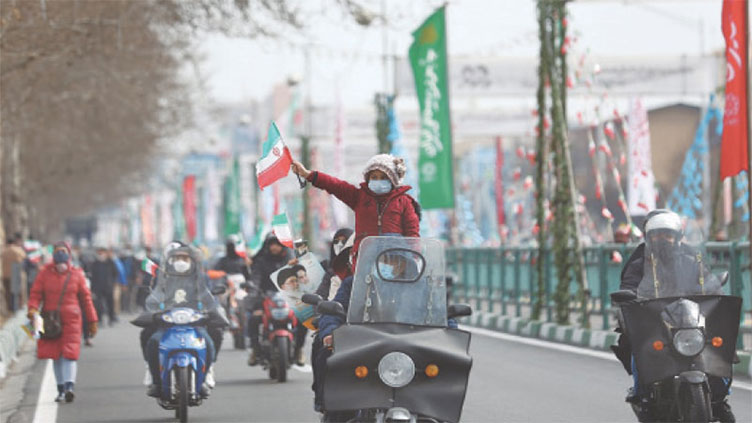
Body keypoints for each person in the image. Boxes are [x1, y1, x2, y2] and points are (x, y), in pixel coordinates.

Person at [614, 209, 734, 422]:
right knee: (638, 347)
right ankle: (641, 392)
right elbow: (628, 288)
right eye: (657, 235)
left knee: (718, 347)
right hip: (655, 324)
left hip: (689, 322)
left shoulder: (692, 260)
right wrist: (629, 297)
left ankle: (720, 397)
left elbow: (710, 285)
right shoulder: (638, 264)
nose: (663, 239)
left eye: (668, 235)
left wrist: (716, 289)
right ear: (649, 238)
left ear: (677, 237)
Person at [291, 153, 421, 262]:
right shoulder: (359, 197)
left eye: (383, 177)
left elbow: (412, 233)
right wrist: (308, 175)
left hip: (395, 261)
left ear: (392, 179)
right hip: (366, 260)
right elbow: (335, 186)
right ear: (367, 178)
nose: (378, 180)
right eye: (374, 177)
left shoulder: (404, 202)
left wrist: (414, 258)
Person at [139, 242, 226, 398]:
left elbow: (209, 298)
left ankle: (208, 372)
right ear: (171, 260)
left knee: (210, 341)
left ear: (191, 260)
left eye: (185, 258)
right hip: (168, 324)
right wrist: (154, 310)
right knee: (153, 341)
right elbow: (155, 297)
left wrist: (210, 310)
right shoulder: (164, 277)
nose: (181, 261)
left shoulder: (201, 277)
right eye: (178, 257)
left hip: (195, 323)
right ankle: (155, 380)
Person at [27, 242, 98, 402]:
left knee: (69, 354)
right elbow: (35, 295)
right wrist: (32, 310)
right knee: (55, 355)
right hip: (51, 320)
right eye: (58, 253)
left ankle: (68, 387)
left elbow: (86, 299)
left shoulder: (76, 274)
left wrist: (92, 320)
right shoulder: (44, 274)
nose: (61, 257)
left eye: (63, 252)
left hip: (70, 320)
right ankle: (61, 389)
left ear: (69, 256)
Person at [246, 235, 294, 365]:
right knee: (254, 319)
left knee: (302, 321)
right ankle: (255, 349)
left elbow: (299, 277)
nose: (274, 247)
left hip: (289, 299)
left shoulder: (290, 261)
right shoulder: (261, 262)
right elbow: (255, 280)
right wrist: (253, 294)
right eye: (272, 244)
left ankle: (299, 349)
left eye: (277, 244)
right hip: (265, 298)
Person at [88, 247, 118, 326]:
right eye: (99, 253)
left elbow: (115, 273)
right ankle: (100, 320)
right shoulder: (94, 264)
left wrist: (112, 282)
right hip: (97, 288)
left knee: (110, 304)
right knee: (98, 305)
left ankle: (111, 319)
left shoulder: (110, 263)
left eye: (102, 253)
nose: (101, 255)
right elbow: (91, 276)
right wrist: (92, 288)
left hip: (108, 287)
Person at [2, 235, 27, 314]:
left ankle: (10, 308)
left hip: (5, 275)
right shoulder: (17, 250)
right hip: (15, 273)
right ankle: (19, 306)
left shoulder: (4, 251)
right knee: (17, 291)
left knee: (7, 292)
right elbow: (24, 256)